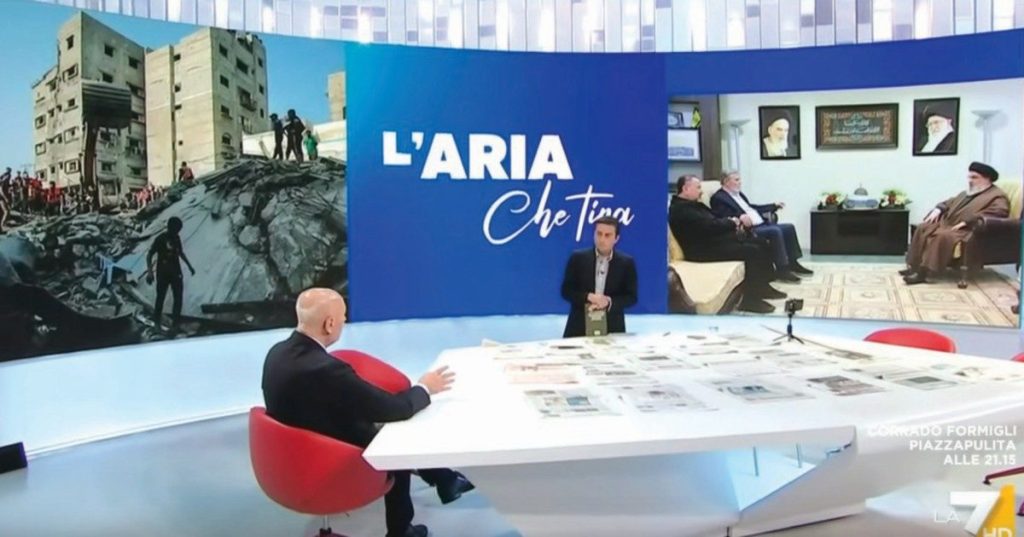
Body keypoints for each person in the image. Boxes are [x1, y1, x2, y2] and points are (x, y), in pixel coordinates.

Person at [262, 288, 475, 537]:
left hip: (291, 449)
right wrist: (425, 387)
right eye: (343, 316)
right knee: (395, 439)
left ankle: (445, 480)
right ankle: (402, 529)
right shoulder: (326, 369)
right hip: (326, 457)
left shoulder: (277, 353)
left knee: (375, 423)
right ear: (329, 324)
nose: (344, 321)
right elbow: (396, 409)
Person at [669, 175, 784, 314]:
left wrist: (731, 222)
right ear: (686, 189)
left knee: (760, 242)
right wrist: (731, 223)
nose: (701, 191)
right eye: (698, 187)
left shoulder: (693, 204)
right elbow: (708, 226)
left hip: (712, 242)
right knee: (752, 251)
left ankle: (763, 287)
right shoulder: (681, 210)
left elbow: (714, 219)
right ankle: (750, 300)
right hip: (702, 251)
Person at [902, 162, 1009, 285]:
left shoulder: (997, 196)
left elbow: (999, 212)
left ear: (987, 178)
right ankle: (914, 266)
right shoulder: (968, 193)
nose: (970, 181)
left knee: (943, 236)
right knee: (923, 227)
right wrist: (939, 208)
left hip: (969, 230)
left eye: (974, 177)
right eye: (969, 177)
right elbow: (949, 202)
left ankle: (924, 272)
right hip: (949, 223)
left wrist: (968, 221)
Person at [710, 171, 813, 282]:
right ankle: (782, 269)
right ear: (726, 182)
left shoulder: (739, 195)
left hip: (761, 224)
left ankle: (793, 263)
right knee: (775, 231)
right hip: (748, 229)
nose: (740, 182)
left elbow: (752, 208)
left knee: (788, 227)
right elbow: (723, 216)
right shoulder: (718, 198)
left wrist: (773, 206)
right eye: (736, 180)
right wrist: (740, 217)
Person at [560, 215, 638, 338]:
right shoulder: (577, 259)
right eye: (599, 234)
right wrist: (588, 297)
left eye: (607, 235)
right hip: (578, 327)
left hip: (612, 327)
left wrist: (608, 302)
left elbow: (631, 297)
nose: (602, 239)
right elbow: (566, 291)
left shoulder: (626, 263)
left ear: (616, 238)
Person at [146, 217, 196, 324]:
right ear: (171, 228)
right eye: (177, 229)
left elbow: (180, 253)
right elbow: (149, 255)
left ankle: (175, 323)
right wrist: (150, 272)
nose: (178, 232)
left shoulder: (177, 238)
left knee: (178, 298)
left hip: (176, 272)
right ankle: (156, 322)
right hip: (163, 273)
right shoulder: (160, 239)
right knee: (160, 298)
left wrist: (189, 266)